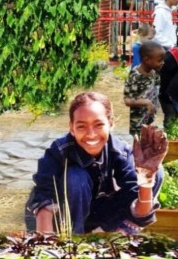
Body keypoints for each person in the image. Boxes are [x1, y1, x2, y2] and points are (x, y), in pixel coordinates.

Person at [25, 92, 167, 235]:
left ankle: (120, 231)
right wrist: (46, 243)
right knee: (76, 177)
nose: (91, 134)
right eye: (81, 126)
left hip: (99, 213)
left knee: (155, 172)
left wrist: (146, 180)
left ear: (111, 124)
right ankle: (73, 238)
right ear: (71, 128)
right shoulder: (58, 152)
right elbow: (43, 200)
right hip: (60, 217)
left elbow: (135, 199)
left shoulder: (120, 152)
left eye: (98, 125)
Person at [124, 41, 165, 134]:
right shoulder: (135, 76)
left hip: (149, 119)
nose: (163, 63)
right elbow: (127, 100)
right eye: (159, 60)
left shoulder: (155, 73)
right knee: (138, 145)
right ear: (147, 60)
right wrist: (145, 102)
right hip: (138, 123)